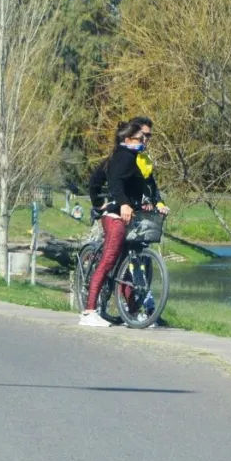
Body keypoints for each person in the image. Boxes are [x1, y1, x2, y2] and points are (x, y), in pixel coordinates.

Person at [80, 119, 170, 327]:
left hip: (130, 216)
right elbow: (113, 183)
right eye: (141, 137)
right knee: (109, 260)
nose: (145, 141)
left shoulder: (133, 157)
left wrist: (156, 203)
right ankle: (89, 312)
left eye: (147, 137)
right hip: (115, 217)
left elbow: (148, 186)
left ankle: (132, 313)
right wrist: (114, 204)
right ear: (128, 140)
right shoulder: (124, 156)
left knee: (126, 267)